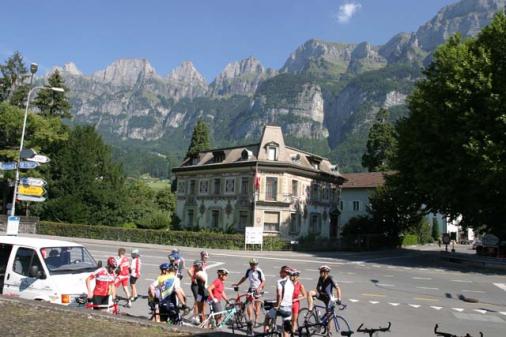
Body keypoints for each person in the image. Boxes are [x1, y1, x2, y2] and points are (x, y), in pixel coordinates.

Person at [232, 258, 265, 329]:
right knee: (248, 304)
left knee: (257, 307)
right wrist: (238, 284)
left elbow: (263, 281)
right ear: (250, 264)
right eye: (252, 264)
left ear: (257, 264)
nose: (254, 266)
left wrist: (259, 288)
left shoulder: (259, 271)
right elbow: (244, 278)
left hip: (258, 290)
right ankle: (250, 320)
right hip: (251, 289)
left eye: (255, 264)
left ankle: (256, 320)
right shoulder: (248, 270)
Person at [264, 266, 294, 337]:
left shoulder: (280, 281)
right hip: (289, 309)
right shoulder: (291, 284)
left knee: (267, 317)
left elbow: (279, 294)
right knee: (286, 328)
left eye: (281, 271)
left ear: (285, 273)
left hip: (281, 307)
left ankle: (266, 333)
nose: (279, 273)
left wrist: (277, 304)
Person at [194, 260, 209, 325]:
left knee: (200, 308)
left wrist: (202, 282)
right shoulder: (204, 272)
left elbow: (203, 280)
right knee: (202, 308)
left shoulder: (198, 273)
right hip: (204, 291)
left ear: (198, 266)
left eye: (195, 266)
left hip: (201, 292)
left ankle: (203, 322)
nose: (194, 267)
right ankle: (202, 321)